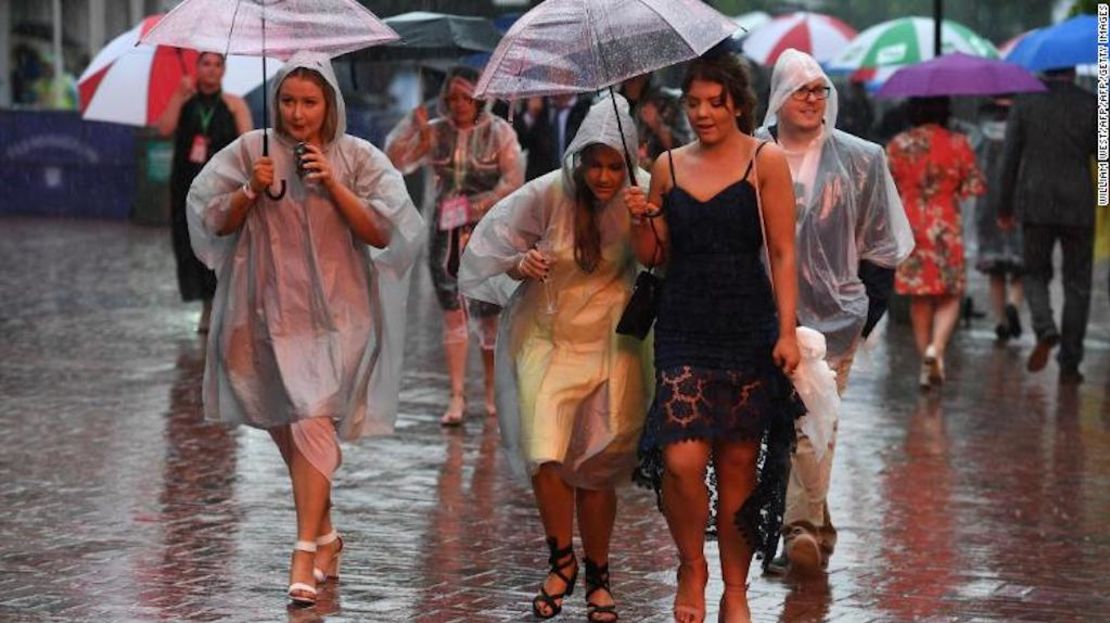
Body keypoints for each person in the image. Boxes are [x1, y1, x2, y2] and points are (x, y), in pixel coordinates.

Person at [185, 52, 424, 606]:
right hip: (266, 310)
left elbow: (387, 232)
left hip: (339, 316)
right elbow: (209, 217)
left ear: (329, 104)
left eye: (309, 102)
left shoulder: (359, 157)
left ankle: (302, 553)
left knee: (312, 417)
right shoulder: (253, 149)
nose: (297, 113)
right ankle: (327, 531)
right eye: (288, 101)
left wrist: (336, 185)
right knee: (283, 420)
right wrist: (248, 189)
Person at [624, 46, 804, 623]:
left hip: (747, 328)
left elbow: (781, 250)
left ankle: (734, 588)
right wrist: (642, 218)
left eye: (714, 103)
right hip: (683, 324)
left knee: (736, 467)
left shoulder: (765, 161)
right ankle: (689, 562)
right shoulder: (667, 166)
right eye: (695, 103)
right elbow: (654, 256)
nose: (702, 113)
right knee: (680, 460)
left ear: (737, 105)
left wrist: (787, 329)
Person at [460, 94, 650, 623]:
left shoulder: (646, 191)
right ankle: (560, 556)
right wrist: (522, 262)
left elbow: (669, 258)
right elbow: (488, 250)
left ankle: (600, 573)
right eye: (596, 164)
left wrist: (647, 222)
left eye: (616, 166)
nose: (606, 177)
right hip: (547, 335)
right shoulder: (546, 194)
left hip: (617, 343)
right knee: (546, 452)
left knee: (597, 465)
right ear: (580, 160)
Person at [755, 49, 914, 575]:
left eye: (819, 89)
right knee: (788, 426)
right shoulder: (751, 157)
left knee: (813, 421)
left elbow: (882, 246)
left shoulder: (861, 159)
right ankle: (816, 529)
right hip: (766, 318)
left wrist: (865, 313)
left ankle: (798, 529)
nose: (811, 99)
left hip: (837, 322)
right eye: (800, 89)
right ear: (778, 95)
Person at [385, 66, 524, 425]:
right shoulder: (436, 131)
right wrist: (415, 130)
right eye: (452, 98)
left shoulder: (499, 133)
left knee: (488, 315)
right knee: (452, 313)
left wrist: (477, 207)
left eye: (467, 97)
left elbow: (513, 181)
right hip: (443, 237)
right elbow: (396, 161)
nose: (459, 105)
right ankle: (457, 395)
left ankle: (491, 391)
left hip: (488, 234)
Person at [996, 68, 1098, 384]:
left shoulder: (1025, 103)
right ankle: (1070, 361)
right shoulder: (1091, 103)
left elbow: (1009, 159)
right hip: (1079, 203)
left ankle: (1044, 328)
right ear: (1071, 70)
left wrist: (1004, 205)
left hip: (1036, 202)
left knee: (1035, 273)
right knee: (1078, 284)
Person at [887, 97, 985, 388]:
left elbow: (886, 184)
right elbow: (974, 186)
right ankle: (937, 348)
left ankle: (925, 358)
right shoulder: (959, 143)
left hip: (912, 225)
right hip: (945, 225)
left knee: (920, 297)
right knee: (950, 293)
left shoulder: (898, 145)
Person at [157, 52, 252, 332]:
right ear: (197, 68)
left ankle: (223, 301)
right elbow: (163, 129)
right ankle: (206, 305)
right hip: (186, 184)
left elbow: (247, 143)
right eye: (206, 64)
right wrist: (177, 95)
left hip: (222, 186)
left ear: (224, 70)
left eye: (217, 65)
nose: (211, 70)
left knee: (222, 242)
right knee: (190, 246)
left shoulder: (234, 104)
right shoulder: (185, 99)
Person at [971, 98, 1024, 343]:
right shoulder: (1023, 123)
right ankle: (1013, 303)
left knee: (995, 269)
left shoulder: (981, 128)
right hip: (1018, 200)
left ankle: (1001, 321)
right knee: (1020, 265)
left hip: (988, 203)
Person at [619, 72, 693, 169]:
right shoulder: (612, 105)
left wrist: (658, 125)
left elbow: (686, 149)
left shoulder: (668, 101)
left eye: (634, 76)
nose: (630, 78)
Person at [513, 94, 592, 181]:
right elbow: (518, 143)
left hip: (575, 180)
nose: (560, 81)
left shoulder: (587, 108)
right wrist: (531, 115)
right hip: (541, 182)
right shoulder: (538, 105)